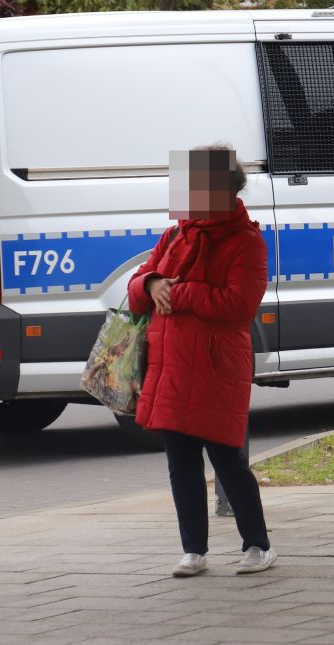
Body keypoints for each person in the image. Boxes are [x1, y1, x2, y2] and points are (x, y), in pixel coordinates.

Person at [126, 145, 276, 577]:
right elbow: (140, 282)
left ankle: (257, 545)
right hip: (171, 364)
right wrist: (153, 283)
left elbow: (238, 304)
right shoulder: (175, 235)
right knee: (181, 463)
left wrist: (181, 292)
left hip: (215, 368)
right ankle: (194, 550)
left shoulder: (247, 241)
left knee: (228, 461)